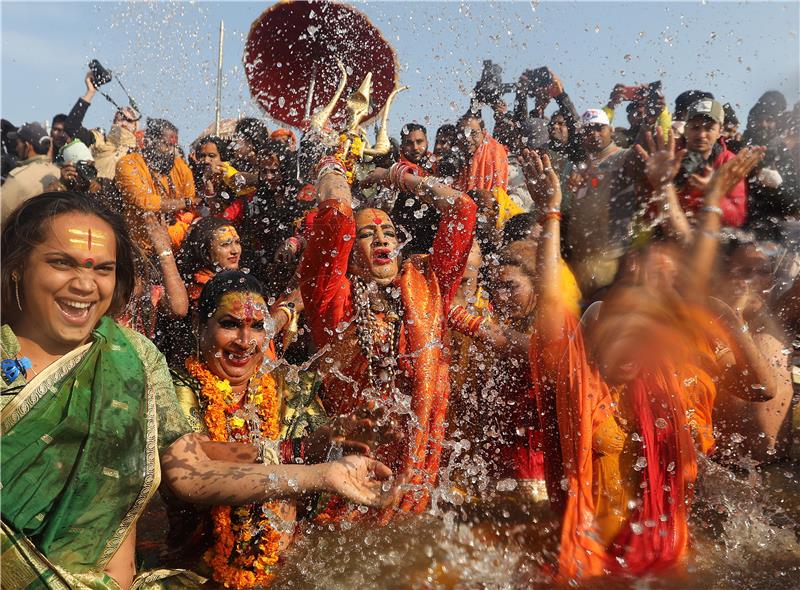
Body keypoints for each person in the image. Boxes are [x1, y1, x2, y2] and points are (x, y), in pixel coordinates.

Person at [0, 191, 399, 590]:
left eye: (103, 268)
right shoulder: (178, 381)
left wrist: (324, 473)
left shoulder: (134, 358)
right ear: (16, 265)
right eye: (61, 263)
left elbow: (189, 471)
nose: (86, 284)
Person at [528, 145, 766, 580]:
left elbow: (758, 390)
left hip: (664, 557)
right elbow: (549, 302)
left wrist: (732, 319)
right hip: (590, 562)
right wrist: (551, 215)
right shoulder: (575, 383)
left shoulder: (670, 381)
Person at [298, 154, 477, 515]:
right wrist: (331, 165)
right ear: (348, 252)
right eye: (367, 234)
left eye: (390, 233)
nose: (381, 239)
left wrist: (396, 176)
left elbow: (462, 209)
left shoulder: (429, 287)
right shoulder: (332, 297)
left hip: (414, 472)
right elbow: (335, 211)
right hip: (348, 467)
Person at [561, 109, 639, 297]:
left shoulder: (624, 158)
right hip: (580, 263)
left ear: (611, 130)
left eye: (599, 128)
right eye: (588, 130)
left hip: (613, 263)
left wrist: (649, 121)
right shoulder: (579, 169)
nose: (594, 134)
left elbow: (642, 159)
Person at [115, 118, 197, 250]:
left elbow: (192, 206)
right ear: (149, 142)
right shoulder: (128, 164)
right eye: (166, 145)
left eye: (174, 146)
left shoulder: (180, 166)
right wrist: (184, 203)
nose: (171, 151)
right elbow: (143, 202)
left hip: (174, 246)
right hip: (138, 247)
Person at [676, 99, 747, 228]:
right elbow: (650, 212)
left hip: (713, 234)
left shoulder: (729, 163)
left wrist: (712, 194)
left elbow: (737, 218)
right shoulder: (670, 157)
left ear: (720, 131)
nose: (701, 135)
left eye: (709, 128)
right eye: (695, 127)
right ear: (685, 129)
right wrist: (663, 183)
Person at [1, 123, 59, 222]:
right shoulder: (58, 172)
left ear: (28, 146)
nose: (16, 148)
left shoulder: (19, 177)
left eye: (18, 143)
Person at [92, 106, 141, 179]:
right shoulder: (99, 139)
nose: (124, 124)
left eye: (129, 121)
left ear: (135, 127)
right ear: (114, 121)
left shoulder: (136, 155)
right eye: (121, 119)